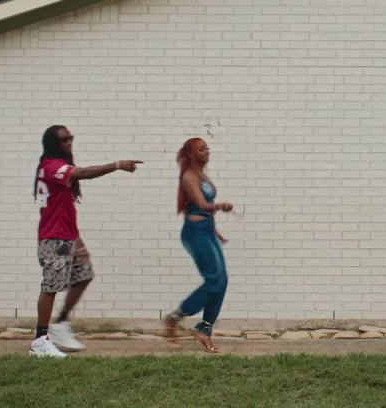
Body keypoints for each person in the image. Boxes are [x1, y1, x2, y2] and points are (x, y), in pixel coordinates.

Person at [29, 125, 142, 358]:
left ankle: (60, 325)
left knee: (84, 274)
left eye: (70, 138)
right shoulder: (51, 166)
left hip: (69, 235)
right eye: (63, 140)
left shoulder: (58, 165)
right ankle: (40, 340)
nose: (69, 142)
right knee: (51, 286)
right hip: (54, 238)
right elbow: (83, 173)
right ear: (53, 144)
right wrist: (117, 165)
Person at [163, 137, 234, 353]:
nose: (207, 152)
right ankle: (174, 318)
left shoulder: (202, 174)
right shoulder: (189, 176)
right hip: (195, 233)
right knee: (214, 281)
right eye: (202, 149)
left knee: (222, 281)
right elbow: (202, 204)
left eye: (207, 148)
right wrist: (221, 205)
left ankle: (205, 330)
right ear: (191, 154)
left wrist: (215, 230)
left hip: (207, 230)